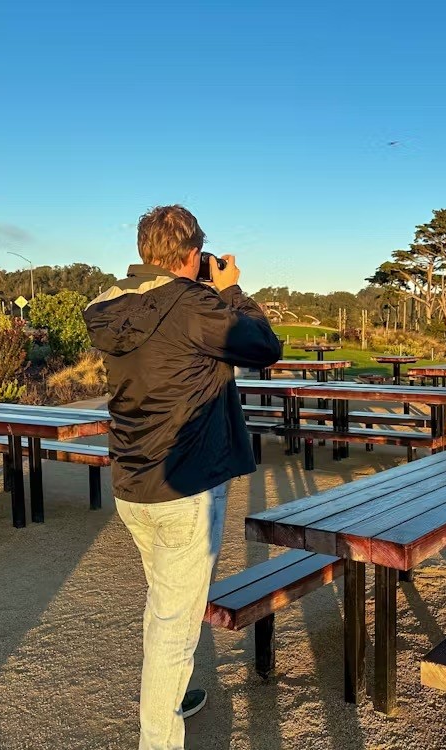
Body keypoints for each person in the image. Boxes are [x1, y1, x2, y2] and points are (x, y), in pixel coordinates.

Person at [83, 205, 282, 750]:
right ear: (193, 254)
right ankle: (159, 737)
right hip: (185, 489)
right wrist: (231, 289)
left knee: (164, 607)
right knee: (173, 626)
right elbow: (264, 347)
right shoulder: (194, 305)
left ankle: (173, 694)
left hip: (134, 484)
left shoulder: (111, 306)